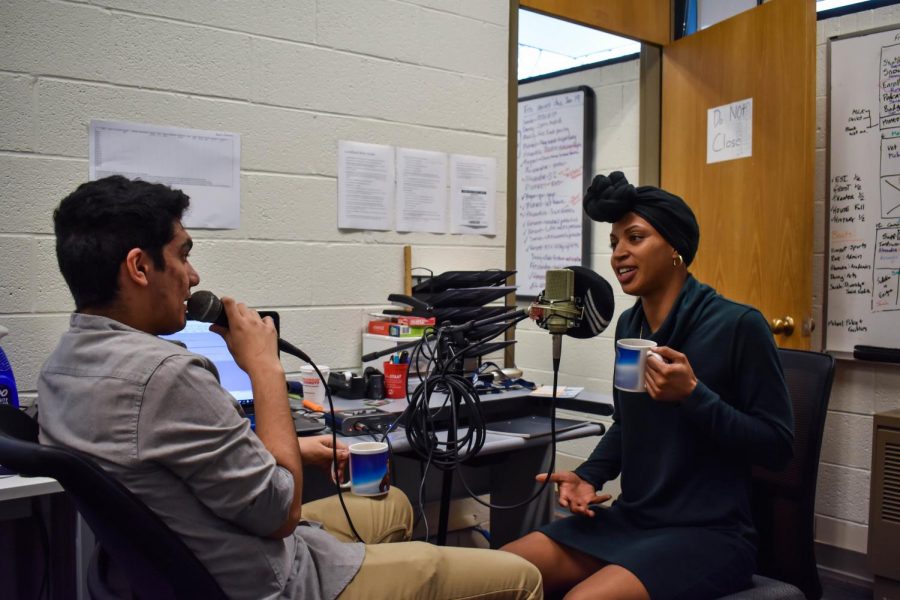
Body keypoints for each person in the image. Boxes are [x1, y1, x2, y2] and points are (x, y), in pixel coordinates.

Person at [38, 175, 542, 600]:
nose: (194, 276)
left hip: (181, 567)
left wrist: (292, 448)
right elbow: (280, 511)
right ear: (140, 267)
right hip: (267, 581)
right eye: (183, 255)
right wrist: (265, 370)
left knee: (396, 506)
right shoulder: (167, 374)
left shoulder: (62, 368)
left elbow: (166, 471)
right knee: (521, 577)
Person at [501, 172, 794, 600]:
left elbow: (778, 447)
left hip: (709, 536)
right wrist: (588, 475)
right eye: (614, 243)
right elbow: (628, 423)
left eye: (634, 238)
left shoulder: (738, 326)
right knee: (503, 574)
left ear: (675, 247)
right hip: (632, 521)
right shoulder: (630, 325)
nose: (619, 254)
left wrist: (694, 397)